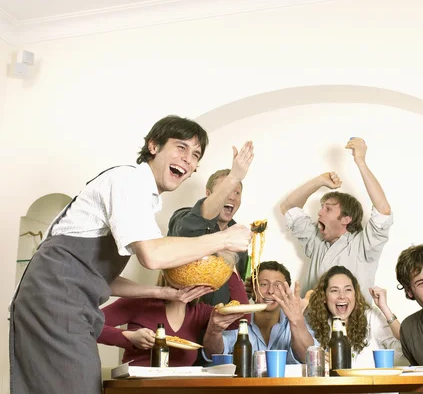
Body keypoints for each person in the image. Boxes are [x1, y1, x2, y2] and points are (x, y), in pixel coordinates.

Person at [9, 115, 252, 394]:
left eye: (195, 154)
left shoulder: (144, 200)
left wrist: (166, 294)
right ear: (153, 146)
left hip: (63, 300)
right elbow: (152, 256)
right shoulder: (128, 181)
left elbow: (100, 278)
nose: (188, 159)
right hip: (54, 300)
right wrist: (223, 238)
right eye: (181, 147)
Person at [280, 137, 393, 301]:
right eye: (321, 207)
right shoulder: (316, 241)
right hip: (310, 325)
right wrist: (319, 181)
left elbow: (383, 210)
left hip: (354, 325)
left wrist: (360, 161)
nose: (319, 213)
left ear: (346, 219)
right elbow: (288, 208)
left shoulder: (364, 245)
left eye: (328, 209)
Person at [98, 266, 247, 367]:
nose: (186, 277)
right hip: (138, 387)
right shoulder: (139, 302)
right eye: (181, 270)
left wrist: (229, 269)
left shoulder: (200, 312)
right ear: (167, 273)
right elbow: (89, 325)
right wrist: (129, 337)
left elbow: (243, 317)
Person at [167, 141, 253, 306]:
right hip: (182, 314)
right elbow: (189, 230)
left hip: (219, 322)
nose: (232, 197)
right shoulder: (183, 217)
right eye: (226, 190)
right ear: (209, 194)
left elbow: (235, 284)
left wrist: (245, 289)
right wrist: (234, 176)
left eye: (237, 192)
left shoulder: (238, 236)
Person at [202, 261, 316, 364]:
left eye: (277, 285)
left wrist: (297, 321)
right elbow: (213, 354)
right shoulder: (238, 318)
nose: (270, 291)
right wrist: (214, 331)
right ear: (252, 289)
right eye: (263, 284)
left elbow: (309, 358)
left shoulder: (297, 321)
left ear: (286, 291)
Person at [307, 265, 406, 368]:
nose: (342, 296)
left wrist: (384, 308)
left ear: (355, 294)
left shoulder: (371, 317)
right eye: (334, 290)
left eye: (348, 290)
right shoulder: (316, 324)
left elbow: (404, 350)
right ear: (324, 297)